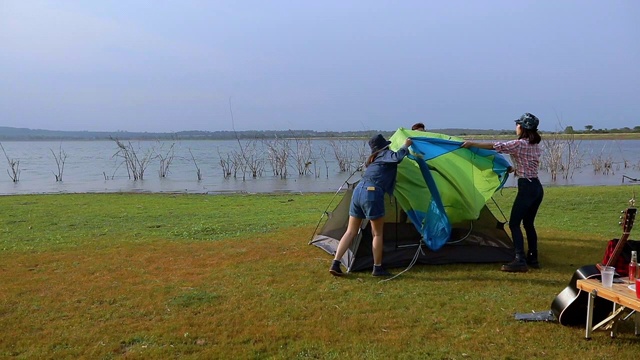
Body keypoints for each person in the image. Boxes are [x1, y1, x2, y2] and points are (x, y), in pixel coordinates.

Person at [461, 113, 543, 272]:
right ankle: (533, 258)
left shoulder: (519, 144)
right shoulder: (535, 145)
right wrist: (514, 169)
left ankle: (520, 260)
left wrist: (472, 144)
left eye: (517, 125)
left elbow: (496, 146)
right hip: (537, 187)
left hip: (527, 187)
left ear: (522, 127)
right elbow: (528, 164)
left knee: (514, 223)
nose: (516, 127)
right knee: (528, 224)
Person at [330, 134, 413, 277]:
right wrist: (406, 145)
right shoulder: (385, 154)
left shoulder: (373, 160)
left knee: (350, 231)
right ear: (385, 147)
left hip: (358, 191)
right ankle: (377, 268)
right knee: (377, 233)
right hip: (372, 193)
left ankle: (335, 264)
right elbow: (398, 157)